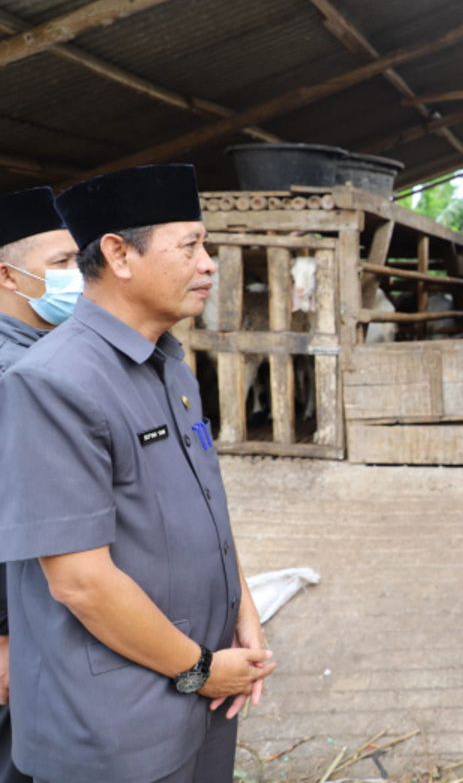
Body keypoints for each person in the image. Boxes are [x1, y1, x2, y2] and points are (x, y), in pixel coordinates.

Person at [0, 164, 277, 782]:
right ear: (119, 255)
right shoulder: (53, 382)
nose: (208, 264)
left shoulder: (170, 367)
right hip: (118, 720)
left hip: (199, 688)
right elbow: (80, 581)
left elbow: (206, 506)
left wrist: (243, 609)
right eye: (191, 246)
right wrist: (201, 667)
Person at [0, 186, 80, 783]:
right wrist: (3, 636)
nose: (77, 278)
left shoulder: (44, 354)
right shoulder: (12, 374)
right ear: (10, 275)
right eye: (62, 264)